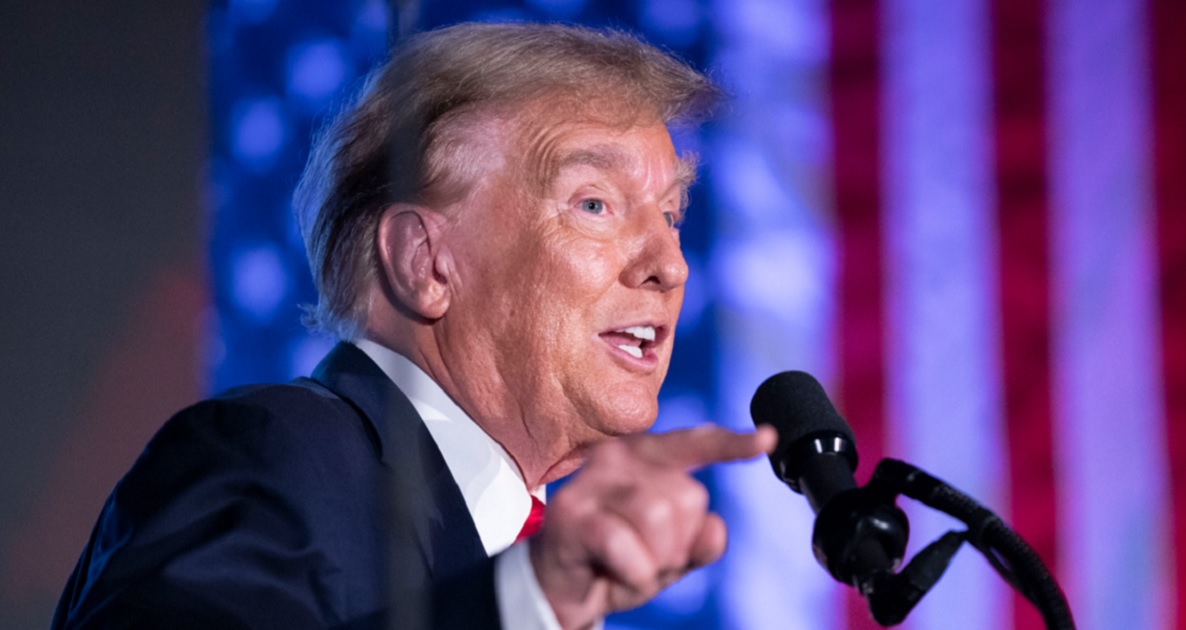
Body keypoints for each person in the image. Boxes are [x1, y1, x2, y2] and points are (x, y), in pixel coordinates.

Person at [52, 22, 775, 629]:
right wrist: (528, 598)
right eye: (595, 204)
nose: (670, 265)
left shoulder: (525, 556)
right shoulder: (276, 457)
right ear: (426, 262)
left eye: (672, 215)